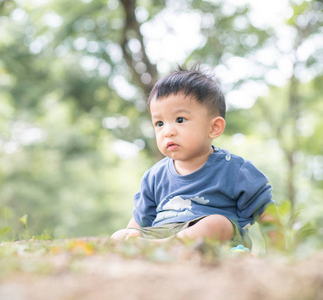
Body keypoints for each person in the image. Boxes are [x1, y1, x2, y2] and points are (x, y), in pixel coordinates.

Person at [111, 65, 281, 249]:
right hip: (161, 235)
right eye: (159, 123)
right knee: (119, 235)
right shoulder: (154, 176)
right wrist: (128, 238)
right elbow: (140, 221)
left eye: (180, 120)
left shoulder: (235, 170)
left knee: (217, 223)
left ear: (213, 127)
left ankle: (168, 246)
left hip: (213, 239)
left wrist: (280, 252)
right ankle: (154, 249)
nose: (167, 131)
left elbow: (267, 213)